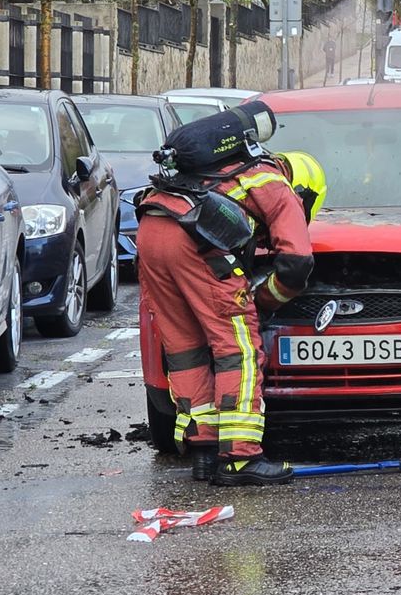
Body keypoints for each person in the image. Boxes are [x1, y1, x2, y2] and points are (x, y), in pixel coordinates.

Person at [136, 102, 324, 487]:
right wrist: (264, 298)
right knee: (236, 348)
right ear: (306, 190)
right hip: (194, 244)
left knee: (186, 349)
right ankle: (240, 458)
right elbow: (296, 264)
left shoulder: (222, 170)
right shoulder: (274, 183)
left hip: (153, 230)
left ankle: (204, 450)